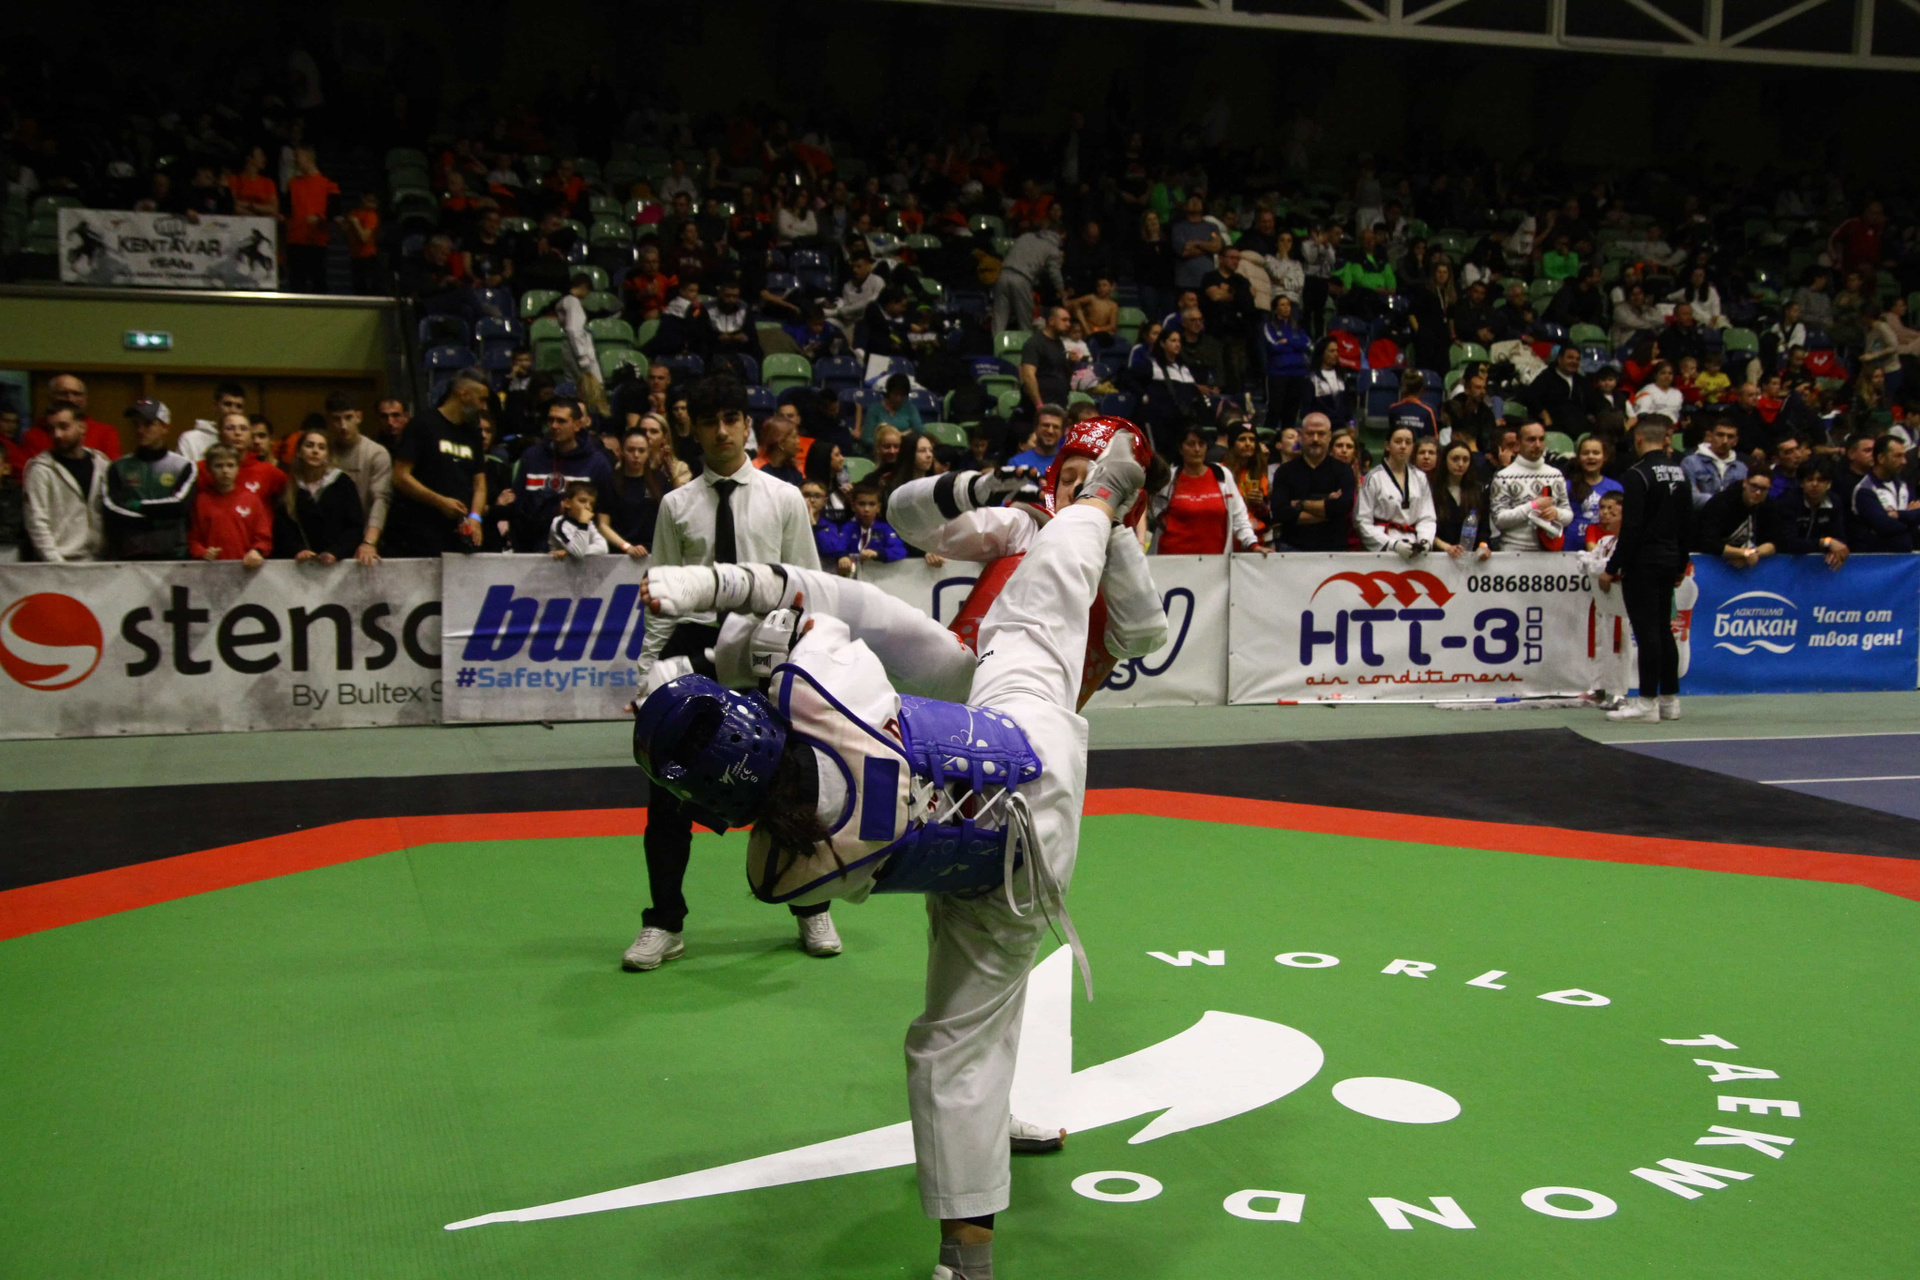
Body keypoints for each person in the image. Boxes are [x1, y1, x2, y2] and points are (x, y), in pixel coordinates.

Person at [629, 430, 1154, 1280]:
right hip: (1029, 753)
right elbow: (829, 597)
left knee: (952, 1044)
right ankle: (1103, 496)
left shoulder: (783, 864)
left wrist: (698, 654)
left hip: (1004, 873)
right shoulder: (823, 686)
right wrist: (713, 599)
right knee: (1038, 607)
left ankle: (965, 1259)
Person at [626, 375, 830, 973]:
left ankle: (811, 905)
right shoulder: (676, 506)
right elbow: (663, 595)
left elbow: (810, 586)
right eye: (709, 421)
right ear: (693, 429)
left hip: (766, 646)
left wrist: (811, 660)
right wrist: (647, 675)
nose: (721, 431)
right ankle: (664, 922)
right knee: (668, 788)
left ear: (747, 426)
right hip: (693, 651)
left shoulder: (784, 498)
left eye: (731, 419)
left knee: (794, 782)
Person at [886, 415, 1169, 709]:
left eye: (1094, 482)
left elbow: (1143, 638)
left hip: (1029, 718)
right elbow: (907, 520)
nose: (1077, 490)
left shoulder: (1122, 577)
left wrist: (1112, 530)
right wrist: (971, 490)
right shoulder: (1024, 529)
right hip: (940, 705)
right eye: (1068, 479)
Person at [1603, 414, 1692, 723]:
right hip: (1669, 560)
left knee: (1647, 632)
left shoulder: (1637, 474)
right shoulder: (1681, 473)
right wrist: (1681, 564)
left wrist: (1612, 567)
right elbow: (1686, 524)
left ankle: (1646, 702)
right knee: (1664, 630)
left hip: (1643, 563)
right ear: (1664, 439)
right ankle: (1669, 700)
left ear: (1638, 438)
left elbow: (1632, 528)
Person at [385, 375, 490, 557]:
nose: (483, 407)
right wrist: (439, 501)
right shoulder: (423, 424)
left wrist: (475, 517)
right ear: (463, 393)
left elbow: (479, 483)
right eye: (481, 399)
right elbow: (400, 476)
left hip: (460, 533)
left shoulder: (472, 433)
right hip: (421, 532)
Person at [507, 397, 617, 552]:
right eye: (550, 420)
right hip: (531, 550)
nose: (554, 426)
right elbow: (519, 505)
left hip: (577, 554)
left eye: (561, 421)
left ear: (577, 425)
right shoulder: (531, 457)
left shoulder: (597, 463)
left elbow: (603, 514)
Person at [102, 399, 196, 560]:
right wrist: (156, 521)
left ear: (165, 427)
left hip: (173, 556)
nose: (140, 430)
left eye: (148, 424)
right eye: (136, 424)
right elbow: (111, 509)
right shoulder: (118, 467)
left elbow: (179, 506)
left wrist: (135, 505)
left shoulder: (183, 466)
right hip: (129, 555)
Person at [1151, 425, 1265, 555]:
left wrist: (1252, 544)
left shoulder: (1222, 475)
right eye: (1191, 444)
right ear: (1180, 449)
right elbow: (1151, 510)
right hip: (1172, 558)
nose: (1197, 449)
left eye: (1201, 444)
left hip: (1214, 559)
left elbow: (1239, 515)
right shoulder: (1169, 478)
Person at [22, 405, 108, 562]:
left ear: (82, 427)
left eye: (64, 427)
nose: (57, 435)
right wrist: (56, 563)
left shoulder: (101, 463)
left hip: (100, 561)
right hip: (61, 560)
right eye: (51, 429)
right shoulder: (40, 470)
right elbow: (37, 521)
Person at [273, 428, 366, 563]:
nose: (315, 451)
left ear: (327, 455)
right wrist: (298, 550)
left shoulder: (342, 482)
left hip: (338, 562)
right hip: (302, 563)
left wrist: (336, 552)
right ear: (299, 452)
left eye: (321, 447)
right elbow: (284, 529)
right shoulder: (291, 485)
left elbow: (354, 526)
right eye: (309, 445)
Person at [1576, 492, 1632, 707]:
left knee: (1620, 644)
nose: (1605, 514)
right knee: (1600, 641)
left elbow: (1611, 566)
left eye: (1611, 510)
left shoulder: (1629, 542)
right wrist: (1596, 565)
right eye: (1602, 508)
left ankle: (1619, 691)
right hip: (1603, 599)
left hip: (1623, 601)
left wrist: (1599, 566)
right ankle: (1600, 687)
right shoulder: (1606, 541)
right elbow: (1585, 563)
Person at [1272, 412, 1355, 551]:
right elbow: (1281, 513)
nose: (1315, 439)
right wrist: (1327, 507)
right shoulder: (1284, 471)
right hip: (1292, 549)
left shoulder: (1344, 470)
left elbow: (1342, 507)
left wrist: (1300, 504)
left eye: (1321, 434)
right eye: (1310, 433)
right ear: (1301, 436)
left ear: (1329, 437)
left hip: (1334, 550)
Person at [325, 391, 391, 565]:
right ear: (329, 420)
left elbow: (380, 500)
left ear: (358, 417)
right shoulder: (323, 451)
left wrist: (369, 542)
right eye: (336, 419)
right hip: (328, 540)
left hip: (364, 537)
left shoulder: (376, 453)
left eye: (348, 417)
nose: (343, 425)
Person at [1354, 424, 1437, 557]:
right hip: (1383, 547)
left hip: (1414, 546)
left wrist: (1425, 541)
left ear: (1412, 447)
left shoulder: (1420, 477)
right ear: (1387, 446)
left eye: (1408, 442)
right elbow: (1362, 521)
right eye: (1398, 441)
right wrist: (1392, 544)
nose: (1403, 446)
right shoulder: (1374, 478)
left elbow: (1427, 517)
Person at [1492, 421, 1572, 551]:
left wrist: (1557, 513)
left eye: (1541, 439)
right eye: (1531, 440)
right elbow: (1499, 520)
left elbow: (1568, 514)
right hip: (1514, 551)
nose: (1538, 445)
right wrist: (1533, 506)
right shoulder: (1503, 477)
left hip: (1550, 552)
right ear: (1518, 444)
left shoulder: (1556, 475)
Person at [189, 445, 273, 565]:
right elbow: (193, 539)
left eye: (230, 465)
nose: (225, 471)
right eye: (218, 466)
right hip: (210, 567)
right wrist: (202, 552)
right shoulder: (200, 501)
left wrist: (257, 551)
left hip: (246, 567)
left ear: (238, 468)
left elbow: (263, 537)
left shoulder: (251, 500)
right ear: (208, 469)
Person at [1696, 467, 1783, 568]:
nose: (1758, 492)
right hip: (1707, 562)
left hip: (1745, 559)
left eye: (1763, 489)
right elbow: (1707, 542)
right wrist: (1742, 553)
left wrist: (1752, 553)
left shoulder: (1769, 505)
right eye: (1754, 486)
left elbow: (1777, 542)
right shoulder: (1721, 503)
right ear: (1745, 483)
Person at [23, 374, 123, 461]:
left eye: (76, 394)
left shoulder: (105, 433)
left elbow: (111, 469)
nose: (70, 399)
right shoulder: (33, 436)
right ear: (51, 398)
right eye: (63, 394)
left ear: (85, 399)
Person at [1849, 434, 1920, 553]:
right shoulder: (1865, 490)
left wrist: (1898, 515)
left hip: (1907, 556)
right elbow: (1884, 526)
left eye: (1904, 456)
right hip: (1877, 558)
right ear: (1881, 458)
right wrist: (1910, 517)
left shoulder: (1904, 485)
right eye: (1898, 456)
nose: (1904, 461)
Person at [285, 146, 340, 293]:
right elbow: (286, 210)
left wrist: (320, 218)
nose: (296, 160)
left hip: (317, 240)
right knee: (296, 283)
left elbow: (334, 211)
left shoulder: (328, 184)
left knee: (318, 282)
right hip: (295, 239)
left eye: (298, 156)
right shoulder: (292, 184)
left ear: (309, 157)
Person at [1777, 457, 1849, 568]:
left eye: (1821, 480)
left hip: (1817, 564)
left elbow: (1839, 537)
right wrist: (1825, 542)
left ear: (1829, 483)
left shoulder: (1834, 502)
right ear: (1801, 483)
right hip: (1784, 562)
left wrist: (1834, 552)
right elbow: (1788, 543)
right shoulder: (1788, 502)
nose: (1814, 484)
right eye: (1809, 479)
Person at [600, 429, 660, 559]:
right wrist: (627, 547)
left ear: (648, 452)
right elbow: (602, 524)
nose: (636, 455)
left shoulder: (659, 481)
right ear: (621, 451)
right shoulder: (610, 481)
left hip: (653, 553)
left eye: (641, 451)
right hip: (618, 554)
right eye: (631, 450)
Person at [1432, 438, 1493, 560]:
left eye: (1465, 460)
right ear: (1444, 460)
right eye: (1455, 459)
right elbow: (1426, 528)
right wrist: (1447, 547)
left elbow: (1484, 528)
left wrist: (1483, 546)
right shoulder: (1432, 490)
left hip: (1470, 557)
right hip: (1438, 556)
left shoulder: (1478, 491)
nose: (1460, 464)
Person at [1259, 295, 1312, 431]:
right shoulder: (1269, 327)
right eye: (1282, 305)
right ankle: (1268, 437)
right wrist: (1296, 345)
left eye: (1288, 304)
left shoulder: (1297, 328)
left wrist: (1288, 342)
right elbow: (1273, 346)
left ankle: (1287, 438)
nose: (1286, 308)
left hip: (1298, 373)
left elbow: (1308, 345)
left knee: (1291, 411)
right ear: (1275, 309)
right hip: (1278, 373)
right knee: (1275, 409)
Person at [834, 480, 908, 575]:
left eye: (872, 504)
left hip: (878, 576)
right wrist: (842, 556)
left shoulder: (885, 528)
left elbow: (900, 551)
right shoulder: (848, 527)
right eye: (862, 504)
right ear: (853, 506)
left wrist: (877, 554)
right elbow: (839, 546)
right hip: (853, 576)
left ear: (878, 508)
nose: (866, 509)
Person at [1564, 436, 1624, 548]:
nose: (1590, 456)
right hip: (1570, 547)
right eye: (1585, 453)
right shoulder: (1567, 486)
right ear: (1578, 457)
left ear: (1604, 457)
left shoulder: (1615, 487)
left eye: (1596, 453)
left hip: (1604, 548)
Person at [1681, 418, 1747, 508]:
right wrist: (1723, 502)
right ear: (1710, 436)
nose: (1725, 441)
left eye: (1730, 437)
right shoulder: (1691, 462)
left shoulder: (1741, 468)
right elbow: (1690, 497)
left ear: (1736, 441)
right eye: (1720, 435)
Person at [1019, 306, 1074, 413]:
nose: (1068, 324)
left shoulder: (1059, 343)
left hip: (1058, 404)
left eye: (1069, 320)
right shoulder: (1035, 343)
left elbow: (1061, 375)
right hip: (1039, 408)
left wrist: (1071, 363)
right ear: (1051, 321)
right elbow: (1028, 376)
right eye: (1064, 320)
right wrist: (1039, 405)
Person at [548, 480, 609, 559]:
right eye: (582, 501)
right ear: (568, 503)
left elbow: (603, 547)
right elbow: (578, 552)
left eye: (591, 504)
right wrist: (583, 524)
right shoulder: (559, 523)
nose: (588, 507)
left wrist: (568, 552)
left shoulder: (588, 523)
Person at [1006, 404, 1066, 474]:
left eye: (1056, 427)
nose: (1050, 431)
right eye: (1046, 425)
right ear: (1036, 428)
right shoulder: (1016, 463)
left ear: (1062, 432)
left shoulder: (1068, 463)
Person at [1388, 370, 1439, 439]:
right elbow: (1433, 439)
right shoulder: (1427, 411)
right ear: (1421, 390)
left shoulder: (1393, 409)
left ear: (1403, 389)